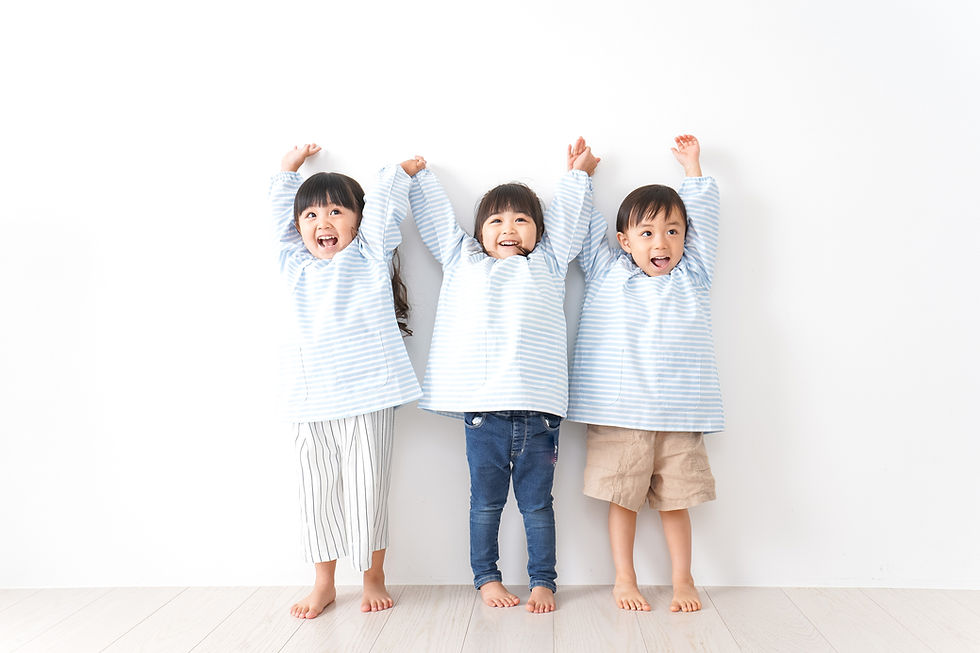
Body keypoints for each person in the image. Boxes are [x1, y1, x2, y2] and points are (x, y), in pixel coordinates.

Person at [404, 140, 599, 613]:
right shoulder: (463, 261)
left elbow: (570, 224)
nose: (508, 229)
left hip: (539, 414)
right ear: (478, 235)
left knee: (537, 506)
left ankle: (543, 582)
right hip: (482, 415)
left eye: (521, 220)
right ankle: (486, 578)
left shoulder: (548, 264)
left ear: (537, 231)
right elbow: (437, 227)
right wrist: (420, 178)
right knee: (485, 505)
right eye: (495, 221)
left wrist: (579, 176)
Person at [567, 135, 722, 612]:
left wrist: (694, 169)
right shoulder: (607, 270)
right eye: (648, 233)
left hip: (679, 417)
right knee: (623, 500)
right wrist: (580, 176)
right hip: (619, 414)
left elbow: (707, 227)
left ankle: (683, 580)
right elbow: (576, 227)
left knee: (676, 503)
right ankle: (624, 579)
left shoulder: (692, 273)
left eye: (673, 232)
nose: (662, 242)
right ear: (624, 241)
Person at [270, 144, 424, 616]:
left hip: (368, 396)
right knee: (315, 494)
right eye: (312, 215)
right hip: (310, 401)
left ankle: (373, 576)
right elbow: (281, 223)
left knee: (367, 492)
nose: (323, 223)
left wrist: (398, 173)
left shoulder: (369, 257)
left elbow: (382, 211)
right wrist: (287, 172)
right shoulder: (293, 264)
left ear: (356, 222)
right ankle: (323, 581)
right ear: (299, 227)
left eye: (336, 212)